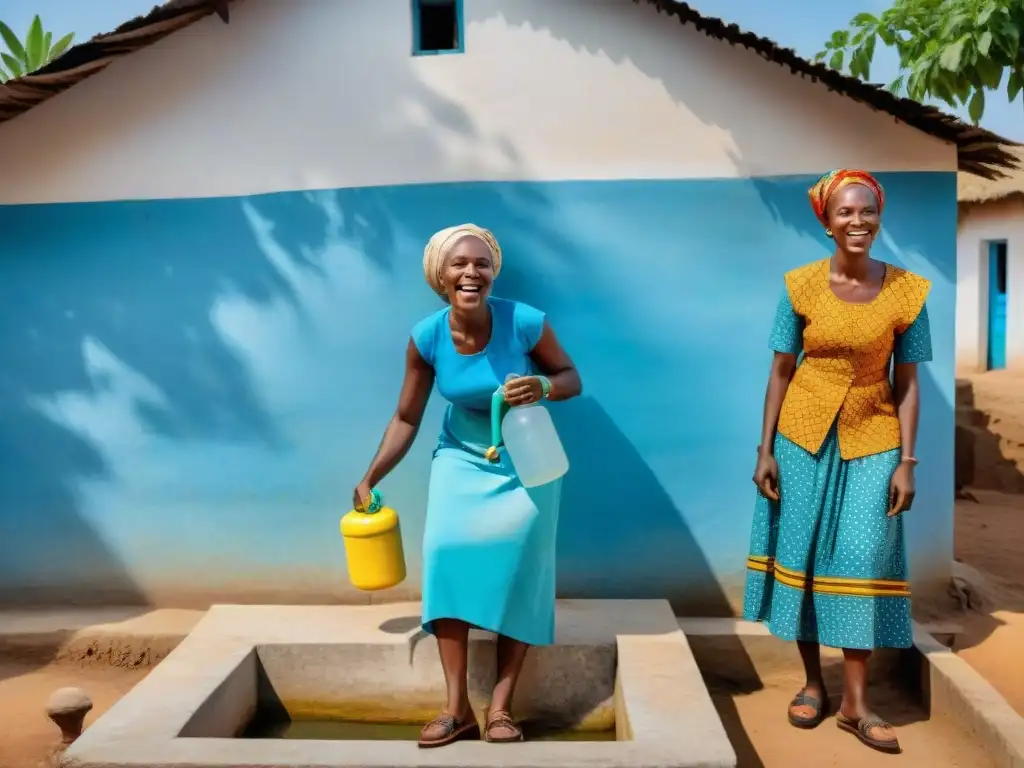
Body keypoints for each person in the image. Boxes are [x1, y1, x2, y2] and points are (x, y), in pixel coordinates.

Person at [353, 223, 582, 748]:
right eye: (459, 264)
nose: (471, 272)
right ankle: (456, 709)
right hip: (460, 455)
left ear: (492, 272)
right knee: (445, 552)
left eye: (481, 263)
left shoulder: (525, 321)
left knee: (525, 560)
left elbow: (571, 377)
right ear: (441, 275)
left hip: (526, 458)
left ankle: (500, 707)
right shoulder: (427, 337)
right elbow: (406, 418)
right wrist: (370, 476)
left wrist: (544, 385)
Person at [743, 169, 932, 755]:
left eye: (867, 212)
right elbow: (780, 371)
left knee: (859, 558)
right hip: (802, 435)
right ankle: (811, 684)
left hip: (873, 437)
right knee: (800, 552)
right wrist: (765, 449)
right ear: (826, 221)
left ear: (879, 218)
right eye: (845, 213)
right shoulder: (798, 285)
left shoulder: (908, 291)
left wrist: (907, 460)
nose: (858, 222)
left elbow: (908, 383)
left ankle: (856, 701)